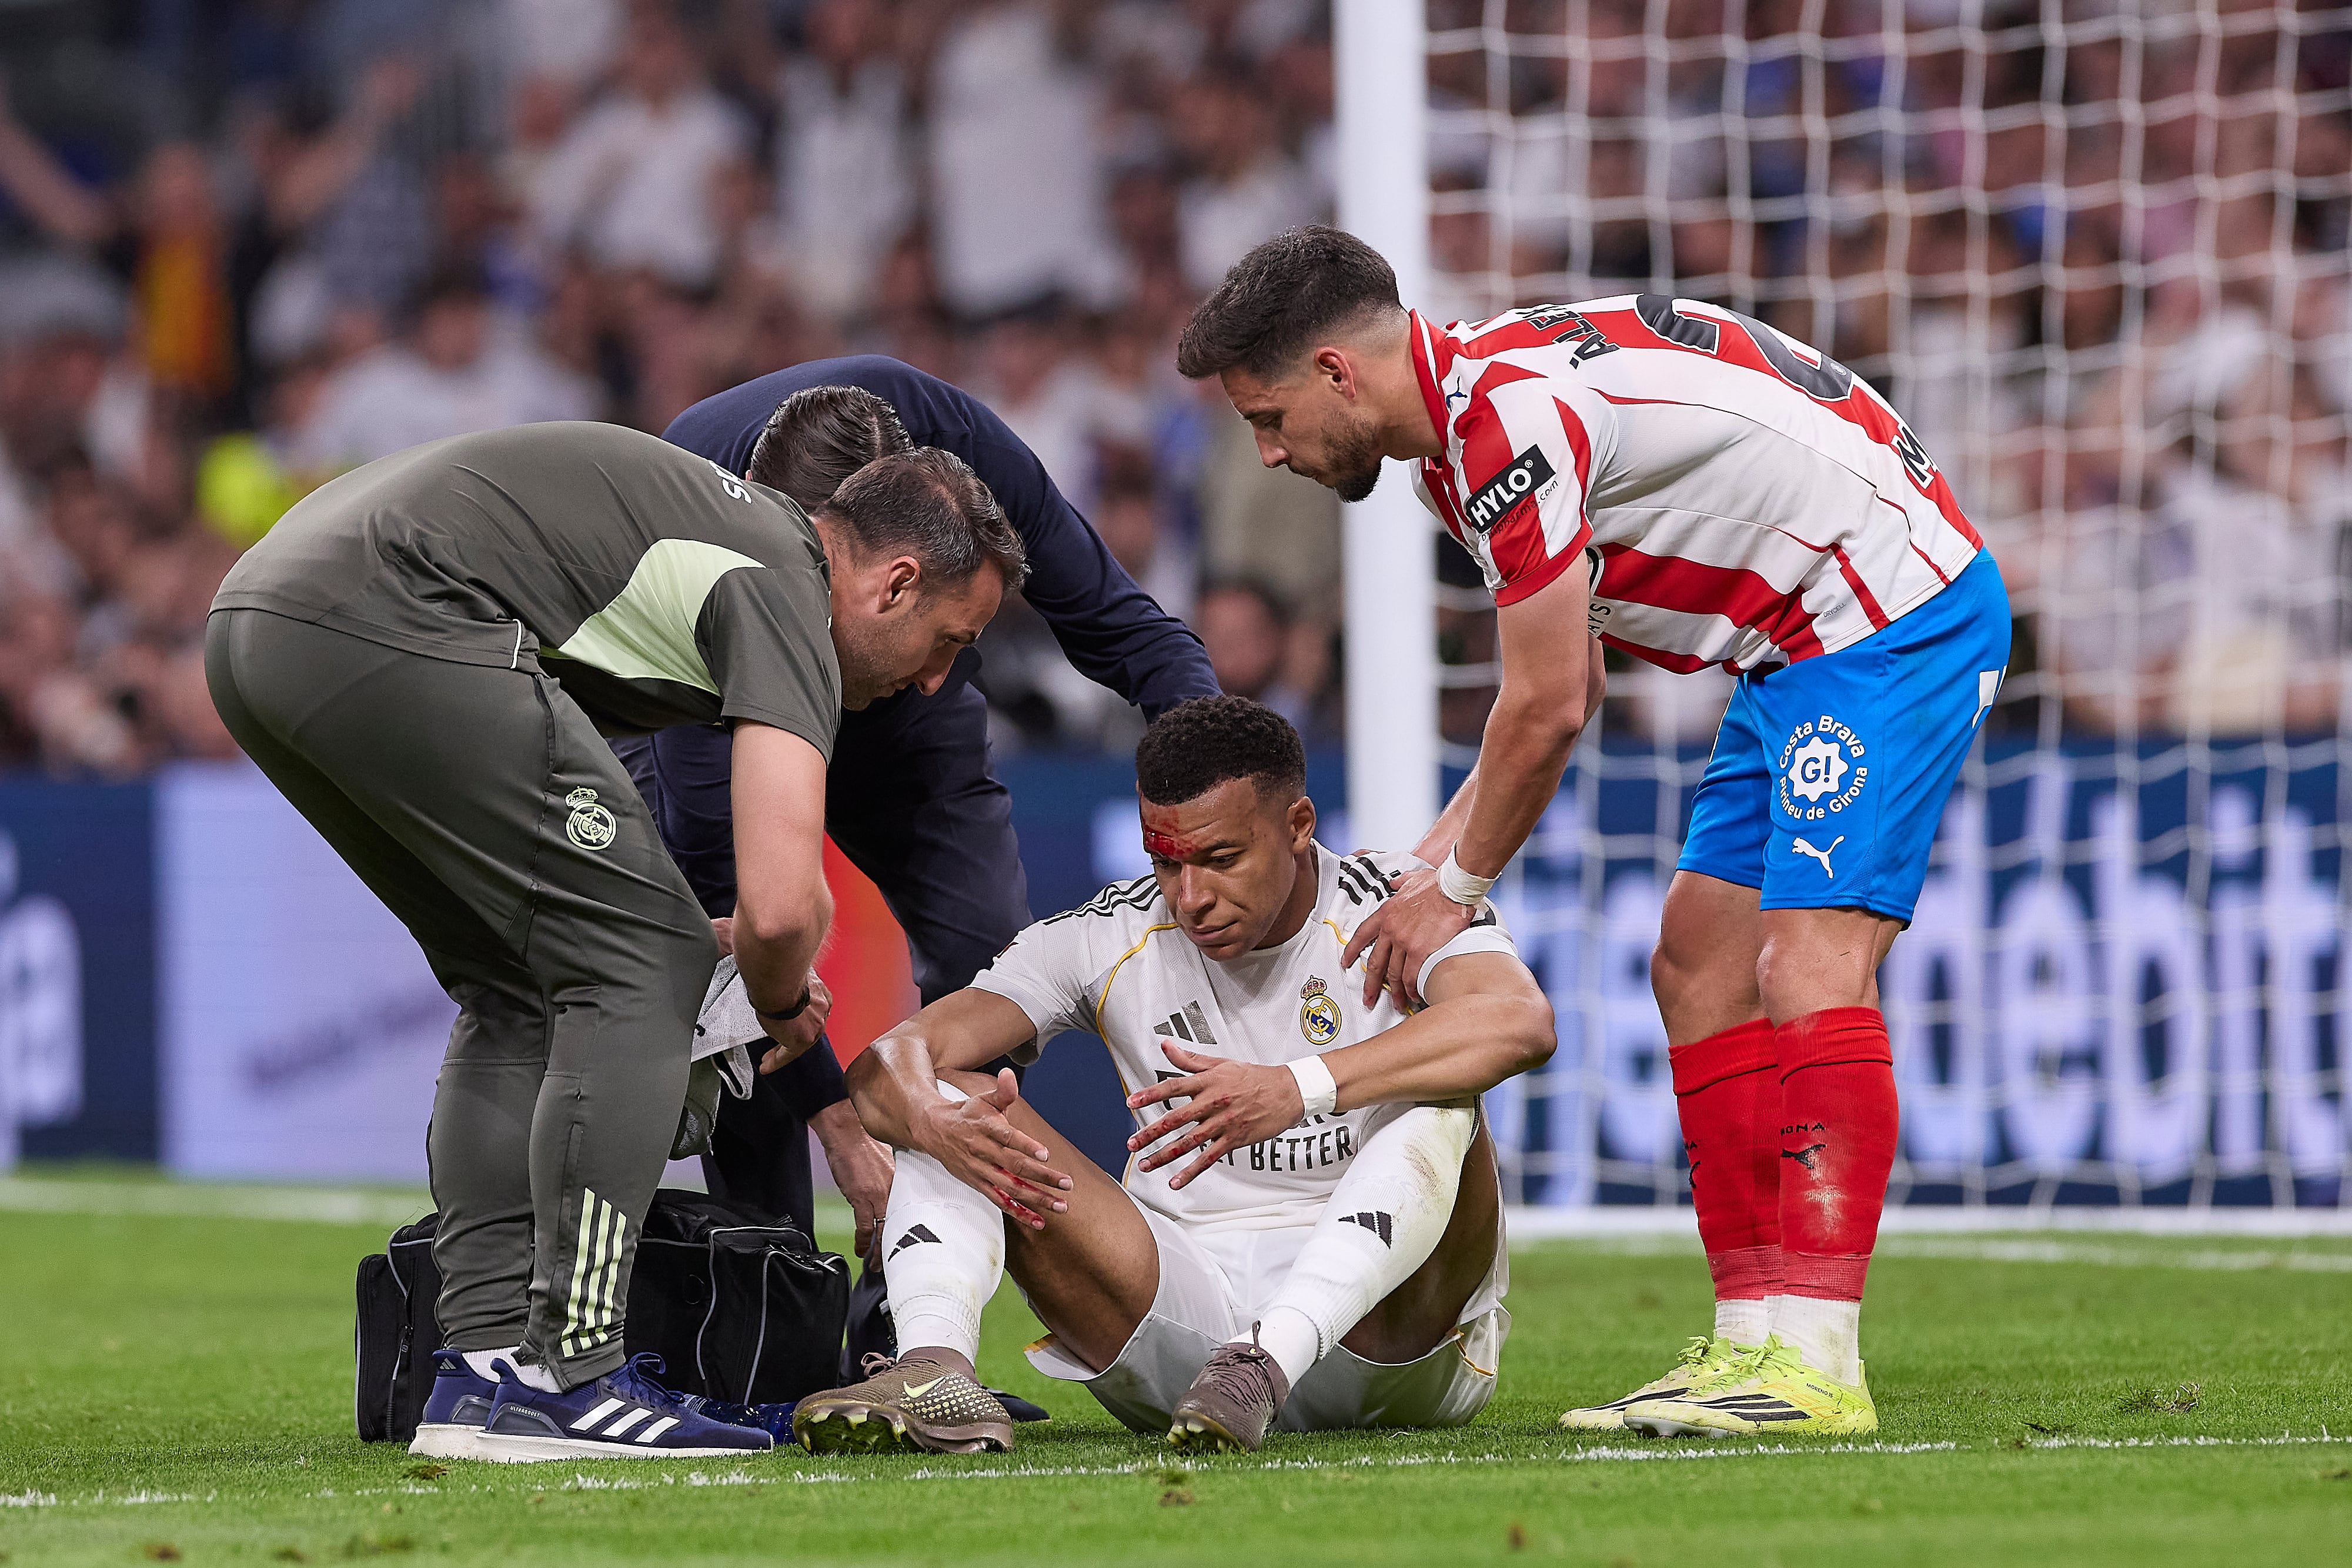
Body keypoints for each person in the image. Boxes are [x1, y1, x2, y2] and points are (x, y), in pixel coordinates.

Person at [1176, 227, 2010, 1437]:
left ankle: (1817, 1360)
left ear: (1333, 372)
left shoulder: (1501, 425)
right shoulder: (1458, 443)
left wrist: (1449, 885)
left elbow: (1551, 703)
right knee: (1695, 961)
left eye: (1268, 416)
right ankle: (1747, 1344)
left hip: (1889, 611)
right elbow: (1572, 686)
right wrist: (1424, 871)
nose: (1268, 450)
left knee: (1803, 961)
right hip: (1791, 647)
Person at [206, 423, 1023, 1460]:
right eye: (951, 641)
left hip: (260, 619)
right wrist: (771, 998)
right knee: (644, 968)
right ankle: (570, 1368)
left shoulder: (719, 547)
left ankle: (489, 1369)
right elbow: (781, 910)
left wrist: (700, 941)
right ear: (894, 584)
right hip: (390, 613)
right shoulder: (785, 585)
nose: (934, 681)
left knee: (519, 987)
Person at [788, 696, 1555, 1455]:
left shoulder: (1397, 903)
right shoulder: (1110, 933)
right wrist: (925, 1113)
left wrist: (1296, 1087)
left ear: (1298, 826)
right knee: (951, 1096)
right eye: (1167, 863)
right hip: (1185, 1337)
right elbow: (891, 1061)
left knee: (1443, 1095)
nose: (1191, 898)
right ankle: (933, 1370)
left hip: (1390, 1343)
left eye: (1222, 860)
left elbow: (1520, 1023)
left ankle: (1271, 1357)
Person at [622, 359, 1217, 1260]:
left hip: (896, 694)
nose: (949, 674)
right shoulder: (696, 561)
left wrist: (1218, 792)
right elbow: (740, 915)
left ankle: (919, 1314)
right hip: (710, 690)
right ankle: (779, 1326)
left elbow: (1127, 628)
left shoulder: (970, 468)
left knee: (993, 971)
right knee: (730, 1002)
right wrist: (841, 1124)